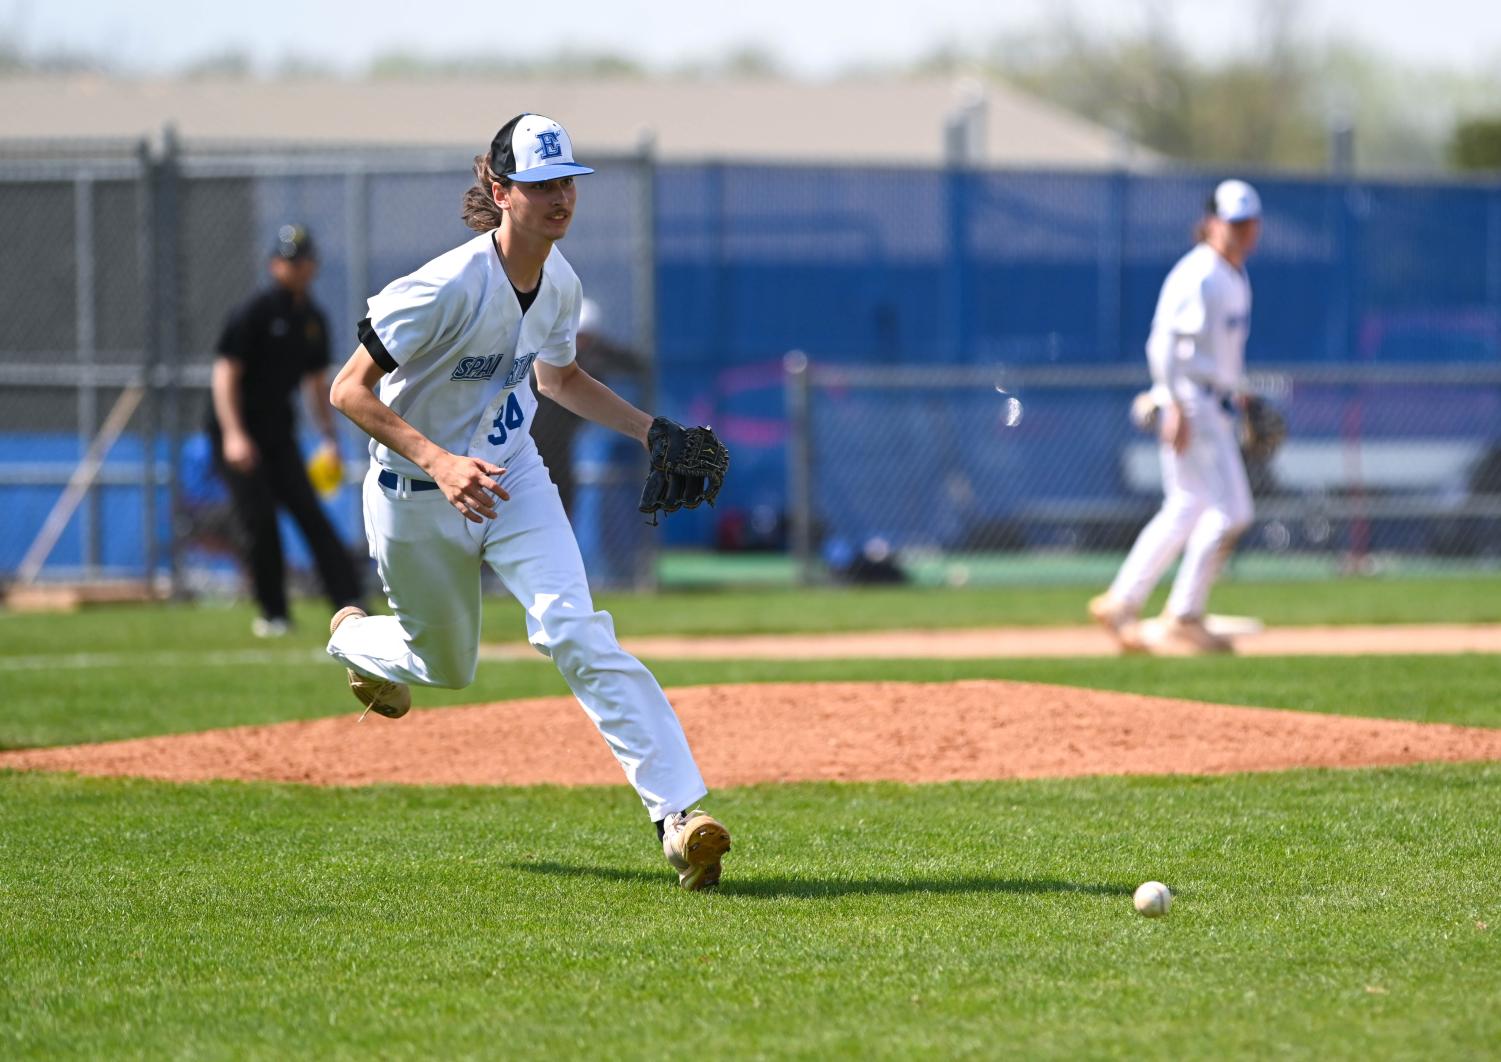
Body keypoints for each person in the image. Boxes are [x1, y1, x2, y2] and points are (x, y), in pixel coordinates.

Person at [324, 114, 731, 890]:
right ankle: (352, 638)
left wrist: (652, 432)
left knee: (576, 629)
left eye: (565, 183)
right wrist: (440, 462)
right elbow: (347, 389)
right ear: (500, 190)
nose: (558, 198)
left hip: (513, 477)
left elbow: (559, 380)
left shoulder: (561, 283)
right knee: (445, 664)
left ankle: (678, 819)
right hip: (416, 493)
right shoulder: (444, 285)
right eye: (540, 184)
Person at [1089, 180, 1262, 654]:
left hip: (1212, 400)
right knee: (1232, 511)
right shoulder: (1200, 273)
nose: (1240, 232)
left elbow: (1218, 354)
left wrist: (1238, 391)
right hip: (1193, 403)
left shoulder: (1233, 275)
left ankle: (1123, 600)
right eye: (1232, 223)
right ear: (1211, 223)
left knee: (1186, 505)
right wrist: (1171, 403)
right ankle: (1184, 614)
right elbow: (1161, 343)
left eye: (1247, 224)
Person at [208, 224, 364, 638]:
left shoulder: (312, 319)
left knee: (310, 514)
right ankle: (274, 612)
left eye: (304, 260)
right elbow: (225, 375)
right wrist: (233, 435)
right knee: (260, 521)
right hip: (240, 430)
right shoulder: (254, 312)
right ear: (274, 264)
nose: (297, 268)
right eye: (289, 260)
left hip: (279, 432)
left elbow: (316, 386)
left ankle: (351, 602)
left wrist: (329, 439)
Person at [529, 297, 645, 516]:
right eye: (576, 337)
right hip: (535, 440)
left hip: (561, 445)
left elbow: (628, 362)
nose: (579, 343)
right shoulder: (545, 364)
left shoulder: (594, 362)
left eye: (585, 337)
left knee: (562, 500)